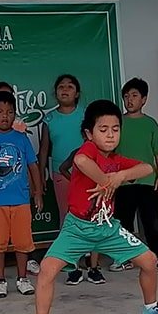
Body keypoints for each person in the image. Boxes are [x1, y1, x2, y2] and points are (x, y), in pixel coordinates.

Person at [26, 99, 158, 314]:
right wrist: (106, 182)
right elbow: (81, 162)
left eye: (115, 129)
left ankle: (151, 308)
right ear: (89, 133)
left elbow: (148, 167)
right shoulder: (88, 150)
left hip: (108, 228)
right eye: (103, 129)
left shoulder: (117, 160)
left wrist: (119, 176)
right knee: (47, 270)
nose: (110, 134)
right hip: (77, 228)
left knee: (150, 261)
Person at [0, 90, 43, 298]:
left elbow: (33, 166)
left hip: (21, 200)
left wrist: (38, 192)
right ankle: (0, 280)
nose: (5, 116)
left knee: (23, 242)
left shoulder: (22, 139)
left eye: (10, 112)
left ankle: (23, 279)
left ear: (15, 115)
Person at [39, 74, 104, 285]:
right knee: (68, 218)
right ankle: (72, 266)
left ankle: (94, 267)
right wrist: (40, 177)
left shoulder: (87, 115)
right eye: (61, 87)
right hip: (62, 174)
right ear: (55, 93)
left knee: (93, 215)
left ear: (77, 93)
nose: (65, 90)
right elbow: (43, 151)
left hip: (89, 173)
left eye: (69, 86)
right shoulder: (49, 120)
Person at [113, 78, 158, 273]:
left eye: (134, 96)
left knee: (151, 222)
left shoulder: (150, 123)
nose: (129, 100)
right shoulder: (117, 123)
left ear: (144, 99)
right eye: (126, 96)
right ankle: (124, 258)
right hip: (123, 182)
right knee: (123, 222)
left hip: (148, 181)